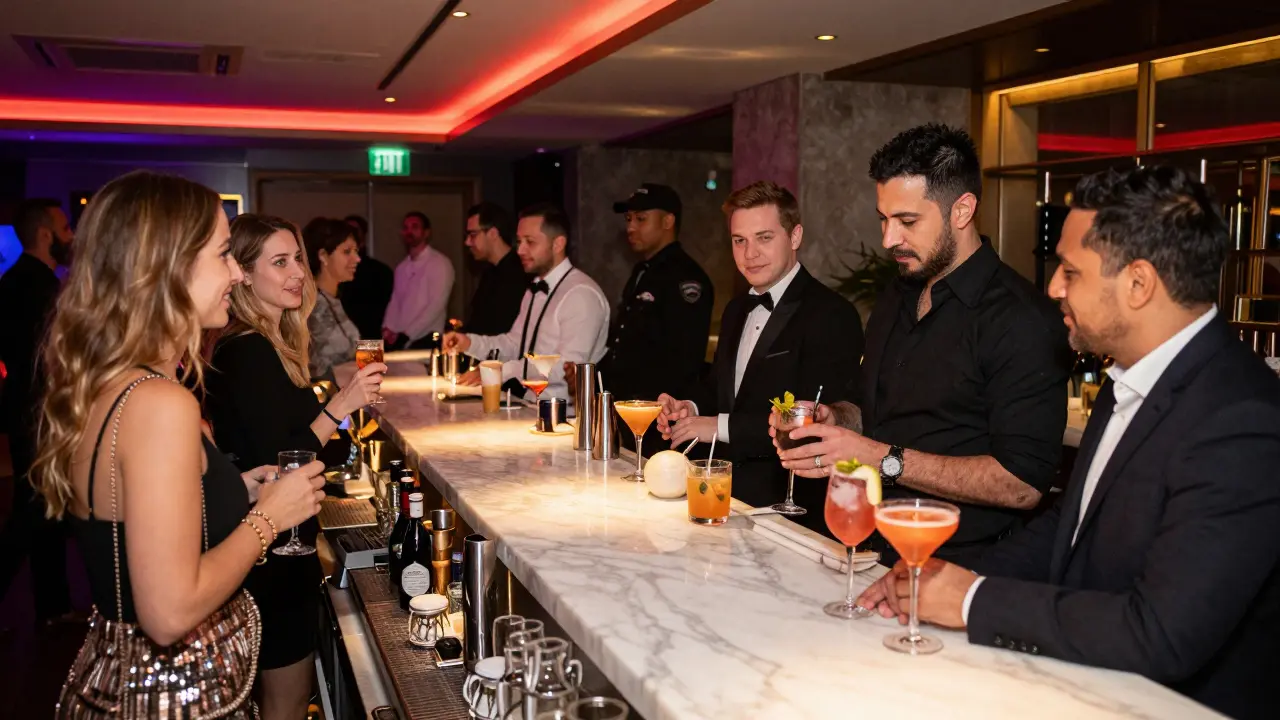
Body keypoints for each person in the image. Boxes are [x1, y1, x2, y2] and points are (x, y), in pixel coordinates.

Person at [857, 166, 1280, 720]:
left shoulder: (1243, 418)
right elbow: (1069, 528)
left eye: (1071, 272)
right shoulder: (1127, 379)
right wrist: (940, 576)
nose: (1053, 286)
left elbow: (1162, 634)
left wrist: (971, 600)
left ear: (1138, 283)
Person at [32, 171, 324, 717]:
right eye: (222, 255)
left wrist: (235, 489)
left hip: (119, 681)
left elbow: (127, 520)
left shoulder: (111, 383)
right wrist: (270, 518)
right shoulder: (161, 402)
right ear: (167, 270)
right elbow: (169, 612)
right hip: (170, 696)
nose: (237, 273)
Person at [776, 124, 1069, 562]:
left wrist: (883, 459)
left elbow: (1023, 483)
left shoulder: (1020, 319)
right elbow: (867, 407)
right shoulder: (898, 293)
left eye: (907, 221)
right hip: (869, 549)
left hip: (960, 568)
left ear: (962, 210)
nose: (888, 239)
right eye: (884, 219)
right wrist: (834, 419)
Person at [203, 213, 385, 720]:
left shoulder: (275, 344)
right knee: (286, 699)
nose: (297, 273)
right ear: (242, 273)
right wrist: (339, 408)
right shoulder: (248, 350)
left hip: (282, 545)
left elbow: (315, 451)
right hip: (271, 554)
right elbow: (283, 461)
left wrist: (336, 424)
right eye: (279, 262)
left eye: (298, 259)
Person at [656, 181, 863, 536]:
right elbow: (722, 390)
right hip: (728, 500)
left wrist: (715, 426)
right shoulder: (737, 308)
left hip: (791, 511)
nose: (750, 253)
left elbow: (814, 419)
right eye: (739, 241)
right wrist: (689, 408)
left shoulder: (832, 313)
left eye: (764, 238)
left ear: (795, 236)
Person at [0, 198, 76, 630]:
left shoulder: (15, 282)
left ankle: (55, 607)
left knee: (45, 509)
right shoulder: (38, 286)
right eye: (65, 229)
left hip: (29, 409)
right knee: (34, 510)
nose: (70, 237)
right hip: (41, 414)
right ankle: (54, 607)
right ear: (45, 235)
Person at [444, 203, 609, 402]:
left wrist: (504, 370)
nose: (520, 250)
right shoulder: (536, 287)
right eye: (519, 241)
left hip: (566, 417)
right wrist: (469, 343)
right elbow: (514, 343)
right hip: (530, 406)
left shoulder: (581, 295)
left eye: (529, 242)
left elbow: (569, 367)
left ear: (558, 244)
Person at [594, 183, 713, 457]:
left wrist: (661, 414)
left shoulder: (685, 277)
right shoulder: (642, 270)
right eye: (628, 219)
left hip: (657, 419)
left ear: (668, 221)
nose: (631, 227)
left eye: (641, 219)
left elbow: (684, 359)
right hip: (626, 409)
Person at [382, 211, 454, 350]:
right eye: (406, 228)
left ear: (426, 232)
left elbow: (436, 306)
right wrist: (387, 328)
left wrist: (408, 334)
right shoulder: (401, 267)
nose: (409, 231)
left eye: (415, 227)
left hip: (426, 340)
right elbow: (395, 301)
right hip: (400, 341)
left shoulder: (440, 263)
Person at [304, 217, 363, 381]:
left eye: (356, 251)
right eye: (347, 252)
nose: (357, 259)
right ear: (323, 255)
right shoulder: (312, 305)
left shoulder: (332, 299)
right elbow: (316, 368)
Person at [463, 202, 530, 336]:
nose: (467, 242)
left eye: (473, 234)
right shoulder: (489, 273)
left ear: (493, 233)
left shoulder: (519, 275)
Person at [340, 214, 393, 341]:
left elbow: (378, 316)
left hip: (369, 340)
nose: (350, 235)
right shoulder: (334, 272)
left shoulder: (380, 272)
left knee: (370, 361)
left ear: (363, 236)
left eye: (354, 231)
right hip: (338, 344)